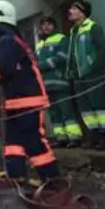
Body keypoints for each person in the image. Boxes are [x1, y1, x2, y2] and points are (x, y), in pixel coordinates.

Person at [0, 0, 61, 185]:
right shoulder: (11, 40)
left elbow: (4, 70)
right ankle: (15, 173)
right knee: (13, 140)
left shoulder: (6, 41)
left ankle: (52, 179)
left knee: (33, 139)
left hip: (28, 100)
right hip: (17, 100)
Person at [66, 0, 105, 150]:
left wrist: (94, 67)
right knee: (85, 109)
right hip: (78, 77)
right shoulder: (73, 31)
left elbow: (103, 50)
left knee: (99, 106)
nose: (70, 12)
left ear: (82, 12)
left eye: (74, 9)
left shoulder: (93, 27)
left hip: (92, 74)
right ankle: (94, 137)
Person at [36, 16, 82, 148]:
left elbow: (63, 57)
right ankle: (61, 137)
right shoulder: (39, 44)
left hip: (59, 81)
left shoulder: (61, 38)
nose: (46, 27)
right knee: (54, 113)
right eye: (43, 24)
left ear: (54, 26)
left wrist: (42, 65)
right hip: (45, 85)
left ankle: (74, 137)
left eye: (49, 24)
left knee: (66, 110)